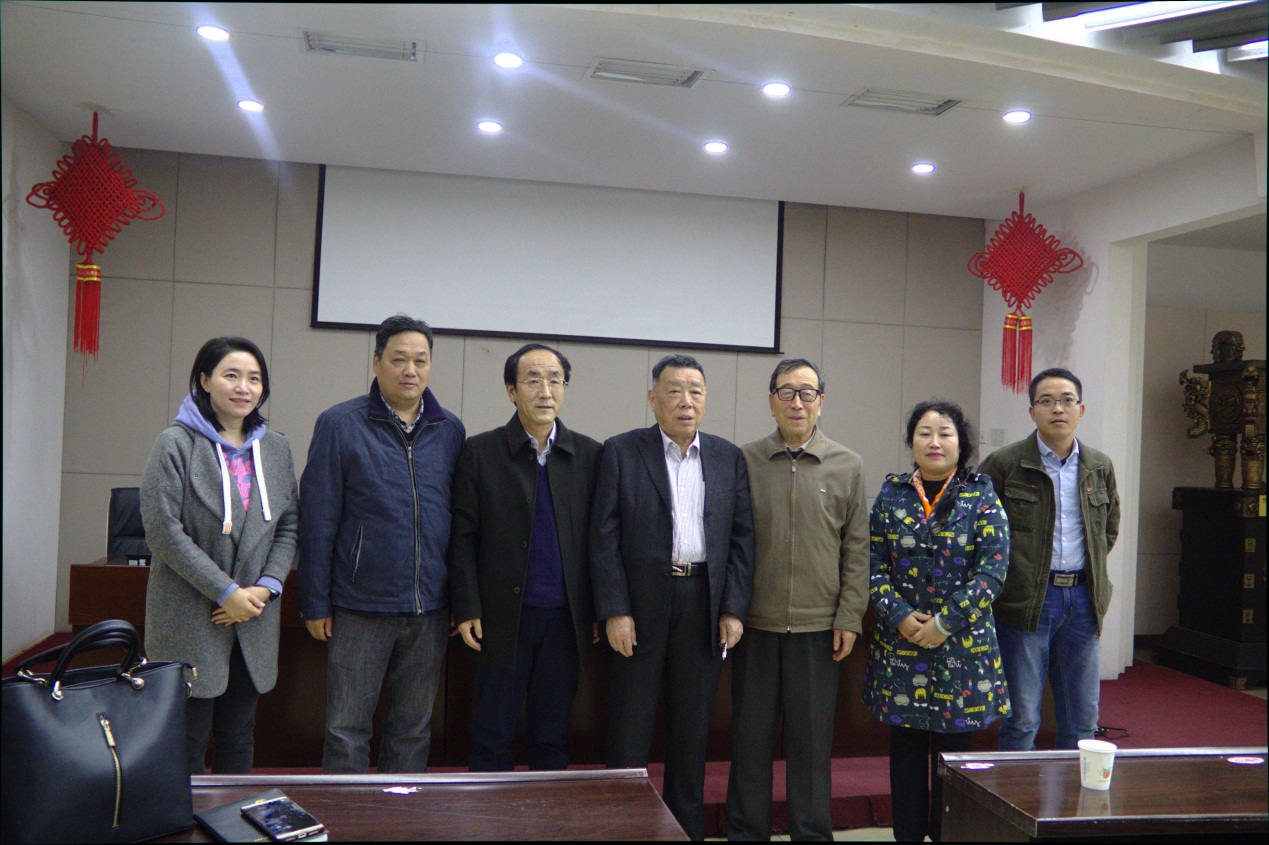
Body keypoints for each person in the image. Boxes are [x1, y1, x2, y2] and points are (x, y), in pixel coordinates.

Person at [591, 353, 755, 841]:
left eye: (695, 391)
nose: (686, 401)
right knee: (629, 730)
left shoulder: (727, 457)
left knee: (691, 733)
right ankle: (623, 830)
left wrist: (733, 608)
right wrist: (615, 610)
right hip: (639, 608)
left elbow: (742, 538)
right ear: (652, 398)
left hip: (702, 603)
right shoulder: (621, 451)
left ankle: (686, 831)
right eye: (674, 390)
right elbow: (603, 538)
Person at [297, 313, 465, 773]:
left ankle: (401, 810)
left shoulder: (449, 430)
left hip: (429, 609)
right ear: (376, 362)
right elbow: (318, 520)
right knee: (347, 729)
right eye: (399, 359)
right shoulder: (340, 424)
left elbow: (458, 523)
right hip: (359, 606)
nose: (410, 370)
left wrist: (457, 597)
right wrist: (314, 602)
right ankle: (347, 812)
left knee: (412, 729)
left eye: (420, 360)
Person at [141, 336, 299, 776]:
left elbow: (288, 525)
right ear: (205, 380)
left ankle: (234, 812)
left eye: (254, 378)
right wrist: (226, 591)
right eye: (232, 376)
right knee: (187, 739)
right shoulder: (175, 444)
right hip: (192, 614)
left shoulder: (275, 448)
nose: (244, 387)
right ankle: (182, 814)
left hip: (254, 616)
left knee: (238, 734)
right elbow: (163, 532)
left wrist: (265, 589)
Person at [725, 359, 869, 841]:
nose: (797, 402)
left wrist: (850, 615)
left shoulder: (847, 464)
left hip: (818, 630)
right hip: (755, 627)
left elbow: (857, 548)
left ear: (821, 402)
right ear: (771, 401)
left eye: (807, 393)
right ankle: (746, 832)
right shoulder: (744, 460)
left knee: (810, 746)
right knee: (750, 742)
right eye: (786, 392)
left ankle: (811, 833)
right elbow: (730, 541)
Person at [448, 343, 603, 771]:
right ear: (511, 391)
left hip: (565, 621)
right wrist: (467, 606)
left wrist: (598, 610)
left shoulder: (590, 455)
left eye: (555, 380)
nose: (545, 391)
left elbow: (601, 543)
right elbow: (462, 538)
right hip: (500, 618)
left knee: (551, 737)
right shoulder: (480, 452)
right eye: (533, 380)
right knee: (491, 735)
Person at [862, 400, 1011, 842]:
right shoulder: (891, 495)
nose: (934, 441)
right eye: (924, 432)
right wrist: (898, 615)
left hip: (960, 649)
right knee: (905, 752)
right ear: (911, 442)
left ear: (961, 443)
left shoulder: (980, 495)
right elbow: (870, 563)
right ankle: (907, 834)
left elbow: (993, 571)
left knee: (954, 758)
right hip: (902, 645)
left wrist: (944, 623)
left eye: (945, 433)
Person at [980, 368, 1120, 752]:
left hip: (1083, 600)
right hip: (1025, 600)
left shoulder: (1099, 466)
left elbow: (1107, 531)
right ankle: (1017, 790)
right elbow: (981, 532)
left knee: (1082, 719)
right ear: (1032, 412)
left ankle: (1076, 791)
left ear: (1081, 409)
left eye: (1067, 400)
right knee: (1022, 717)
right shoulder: (1004, 464)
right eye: (1046, 401)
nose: (1058, 409)